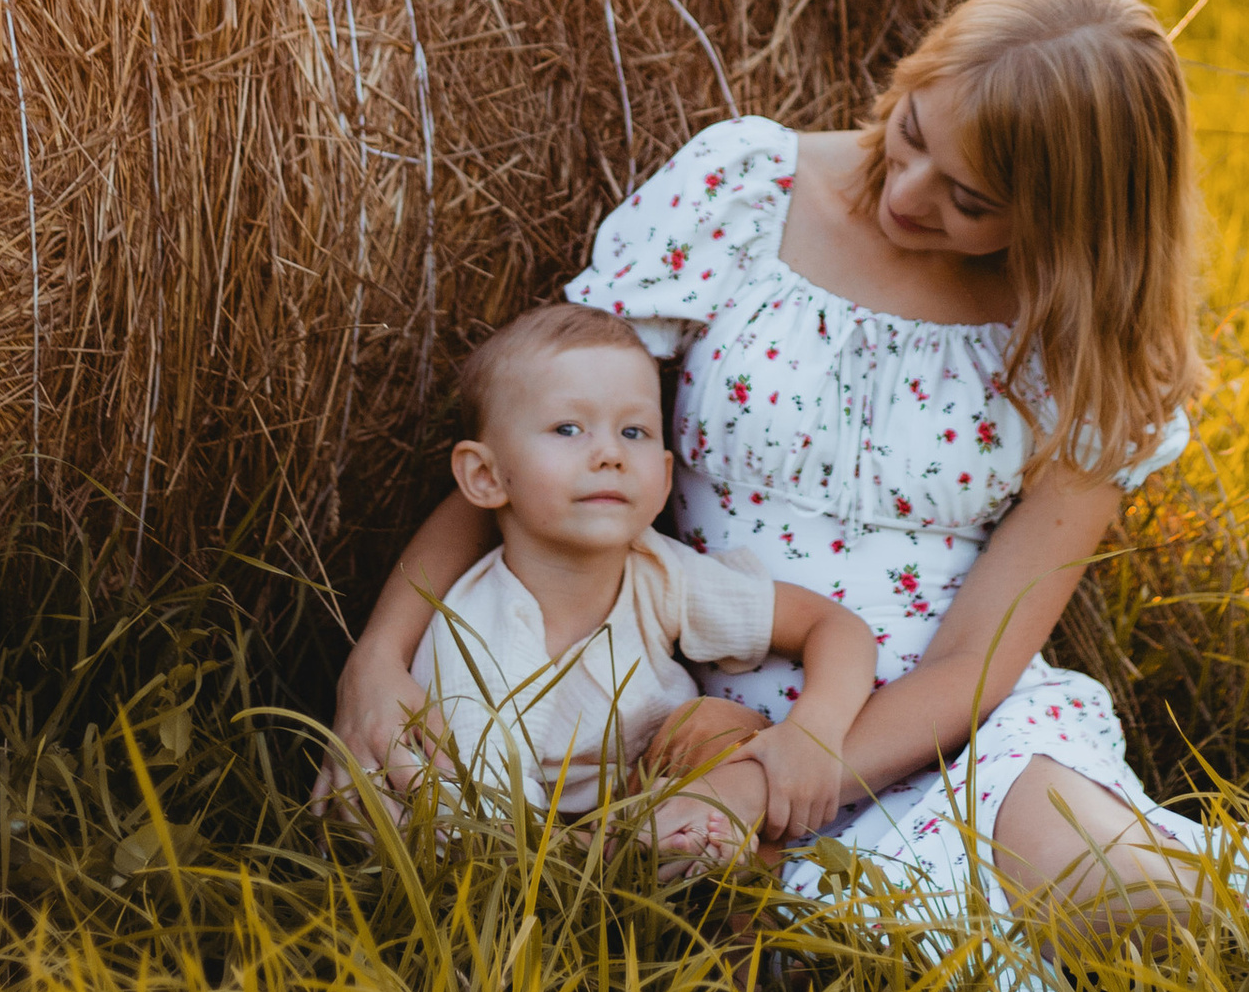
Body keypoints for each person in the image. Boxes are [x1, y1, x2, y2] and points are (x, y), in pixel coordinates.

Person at [327, 0, 1249, 940]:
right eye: (910, 130)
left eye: (971, 199)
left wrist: (796, 768)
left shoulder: (1084, 346)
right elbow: (540, 450)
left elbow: (977, 657)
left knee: (1106, 887)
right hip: (695, 714)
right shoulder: (744, 192)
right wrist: (376, 658)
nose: (906, 195)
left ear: (1069, 219)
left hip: (945, 722)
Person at [336, 301, 878, 874]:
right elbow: (488, 847)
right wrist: (627, 850)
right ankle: (677, 893)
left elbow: (831, 626)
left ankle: (752, 921)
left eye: (633, 431)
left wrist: (814, 729)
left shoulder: (657, 570)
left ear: (664, 478)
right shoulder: (476, 646)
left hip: (643, 803)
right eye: (568, 429)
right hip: (523, 857)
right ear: (486, 476)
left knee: (716, 727)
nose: (610, 454)